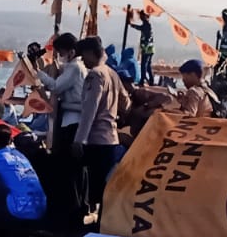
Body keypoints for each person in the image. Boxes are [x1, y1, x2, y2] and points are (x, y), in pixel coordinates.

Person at [74, 36, 130, 212]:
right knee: (106, 184)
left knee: (91, 185)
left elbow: (89, 110)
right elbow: (126, 104)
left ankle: (88, 218)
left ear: (91, 53)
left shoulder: (95, 75)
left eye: (83, 56)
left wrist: (79, 140)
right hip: (111, 139)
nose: (83, 61)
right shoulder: (112, 73)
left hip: (95, 139)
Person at [38, 33, 87, 226]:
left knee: (67, 169)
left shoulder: (75, 67)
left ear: (71, 51)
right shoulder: (75, 67)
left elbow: (57, 87)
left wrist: (38, 74)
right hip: (70, 119)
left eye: (61, 52)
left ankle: (68, 212)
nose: (59, 55)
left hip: (72, 121)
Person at [134, 12, 156, 84]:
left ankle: (143, 80)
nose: (140, 18)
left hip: (147, 48)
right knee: (148, 65)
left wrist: (132, 25)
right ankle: (151, 80)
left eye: (141, 16)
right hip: (150, 48)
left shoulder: (146, 25)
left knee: (144, 65)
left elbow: (141, 28)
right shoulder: (147, 24)